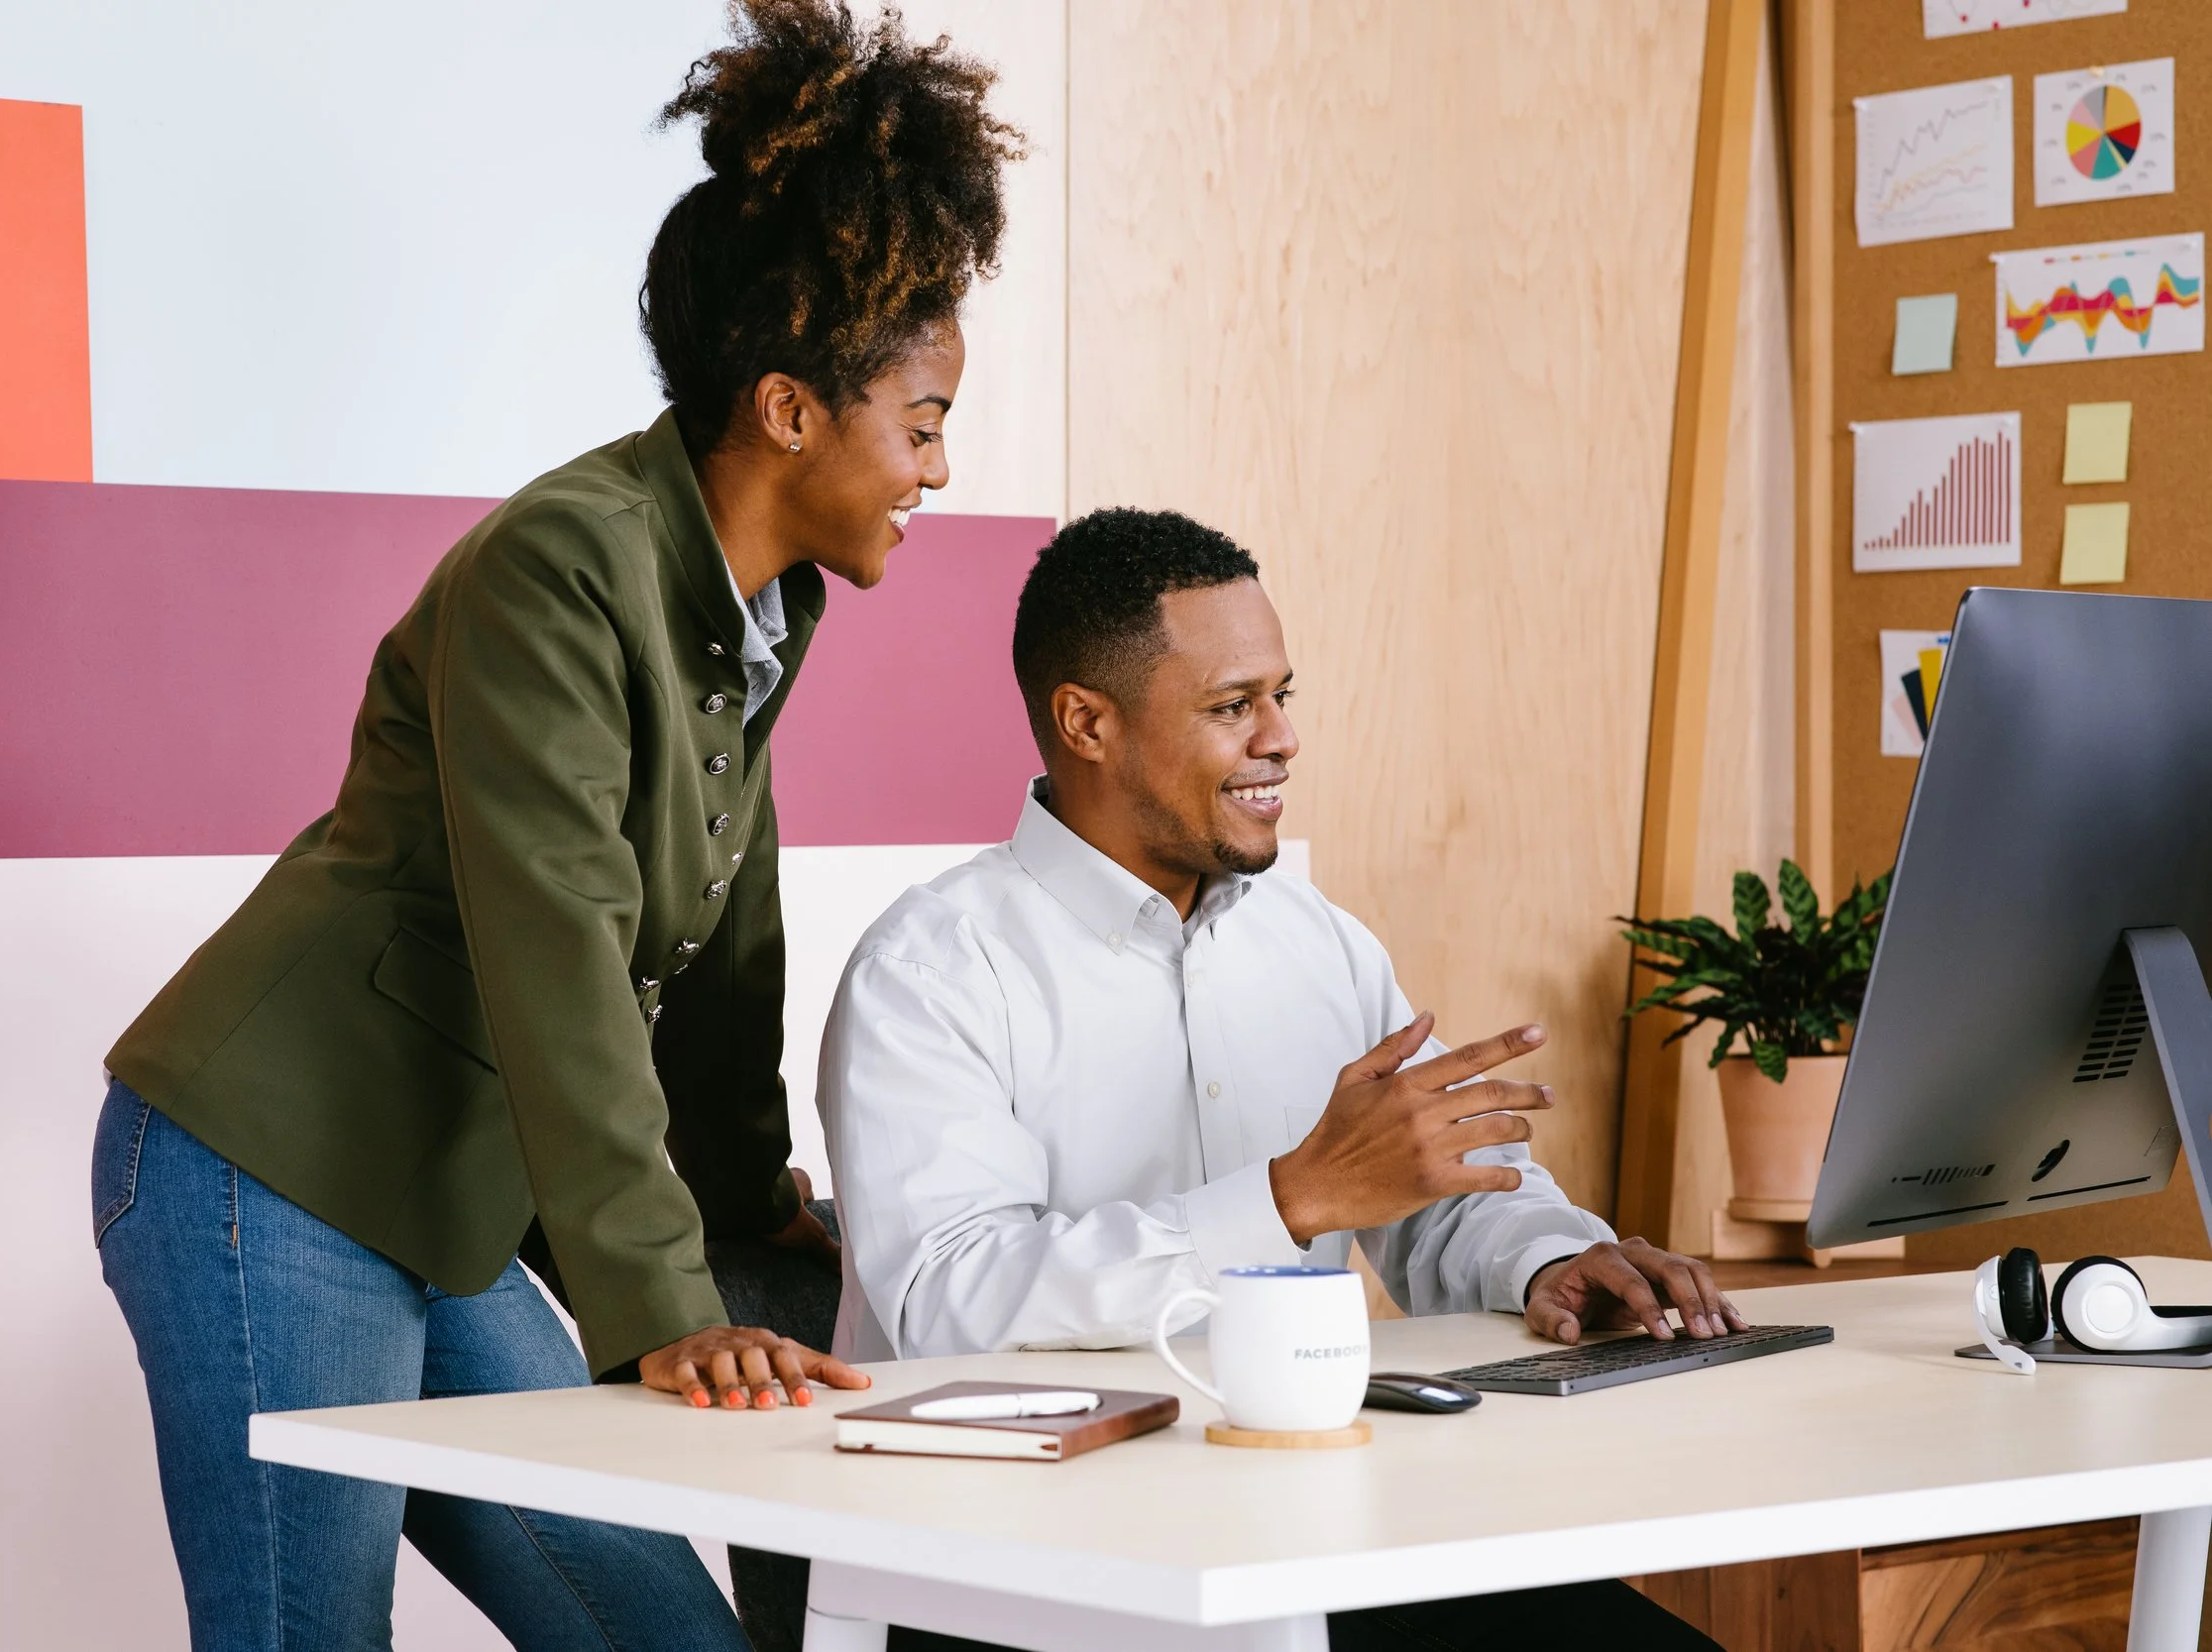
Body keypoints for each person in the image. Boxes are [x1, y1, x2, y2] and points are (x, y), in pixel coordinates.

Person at [87, 5, 1022, 1648]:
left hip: (439, 1202)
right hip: (270, 1169)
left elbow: (723, 934)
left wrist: (744, 1206)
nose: (938, 468)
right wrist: (668, 1309)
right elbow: (560, 944)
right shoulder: (563, 563)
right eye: (924, 419)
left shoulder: (760, 601)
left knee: (663, 1634)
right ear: (795, 406)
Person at [821, 507, 1734, 1651]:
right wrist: (1288, 1198)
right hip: (1023, 1576)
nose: (1282, 737)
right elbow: (952, 1305)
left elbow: (1435, 1201)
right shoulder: (930, 966)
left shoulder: (1321, 944)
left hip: (1296, 1531)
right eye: (1230, 704)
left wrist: (1548, 1259)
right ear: (1086, 720)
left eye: (1282, 694)